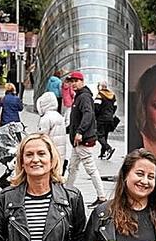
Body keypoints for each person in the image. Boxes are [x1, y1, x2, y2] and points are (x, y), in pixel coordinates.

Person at [66, 71, 107, 207]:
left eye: (75, 81)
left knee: (90, 169)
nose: (73, 84)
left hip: (83, 140)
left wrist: (79, 132)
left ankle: (102, 197)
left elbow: (88, 115)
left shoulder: (83, 97)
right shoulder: (80, 96)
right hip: (78, 141)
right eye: (71, 82)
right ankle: (67, 192)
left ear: (82, 81)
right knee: (73, 167)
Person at [36, 91, 67, 162]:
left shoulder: (46, 118)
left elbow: (42, 136)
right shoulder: (59, 116)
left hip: (50, 151)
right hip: (60, 151)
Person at [95, 81, 118, 160]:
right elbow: (115, 106)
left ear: (100, 87)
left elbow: (96, 108)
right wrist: (111, 114)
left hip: (101, 119)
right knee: (105, 136)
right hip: (110, 119)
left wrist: (96, 116)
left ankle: (108, 148)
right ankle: (102, 153)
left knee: (98, 135)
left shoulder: (100, 95)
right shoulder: (112, 95)